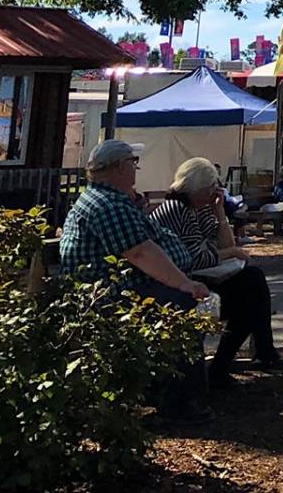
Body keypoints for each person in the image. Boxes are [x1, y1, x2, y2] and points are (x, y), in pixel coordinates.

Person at [60, 140, 211, 418]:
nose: (136, 168)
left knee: (243, 283)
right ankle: (179, 402)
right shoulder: (106, 205)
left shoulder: (114, 199)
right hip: (108, 296)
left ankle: (210, 377)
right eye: (133, 163)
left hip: (129, 287)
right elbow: (140, 253)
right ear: (119, 167)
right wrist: (184, 283)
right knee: (181, 305)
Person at [149, 158, 283, 383]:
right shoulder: (177, 210)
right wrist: (233, 253)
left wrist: (219, 212)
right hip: (179, 283)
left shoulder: (200, 208)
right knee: (249, 293)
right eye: (210, 189)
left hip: (197, 277)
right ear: (197, 188)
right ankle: (256, 355)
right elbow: (198, 259)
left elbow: (223, 245)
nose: (213, 193)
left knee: (251, 284)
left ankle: (255, 355)